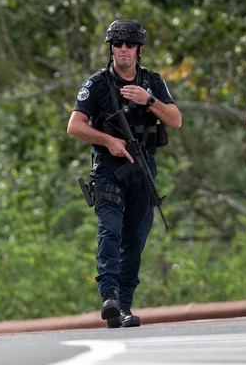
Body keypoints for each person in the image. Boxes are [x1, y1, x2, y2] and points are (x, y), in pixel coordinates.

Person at [67, 19, 182, 327]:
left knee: (135, 237)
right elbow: (75, 126)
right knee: (110, 230)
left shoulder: (152, 81)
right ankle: (109, 296)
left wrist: (149, 101)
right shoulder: (98, 84)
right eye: (117, 44)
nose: (122, 50)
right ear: (111, 49)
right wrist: (109, 141)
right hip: (109, 169)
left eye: (129, 44)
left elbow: (175, 120)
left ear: (139, 50)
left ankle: (125, 305)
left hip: (143, 167)